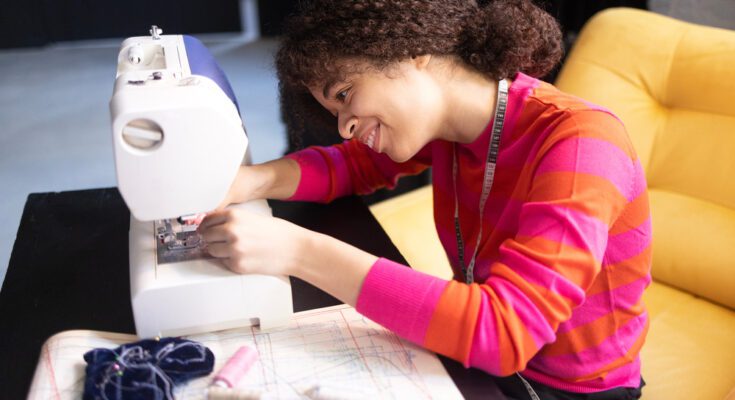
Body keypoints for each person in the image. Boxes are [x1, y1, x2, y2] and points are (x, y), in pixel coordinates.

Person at [198, 1, 651, 398]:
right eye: (336, 112)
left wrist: (296, 250)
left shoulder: (580, 141)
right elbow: (350, 165)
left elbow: (505, 333)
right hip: (482, 363)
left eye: (345, 94)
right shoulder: (450, 131)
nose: (344, 126)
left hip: (569, 389)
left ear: (413, 51)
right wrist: (248, 182)